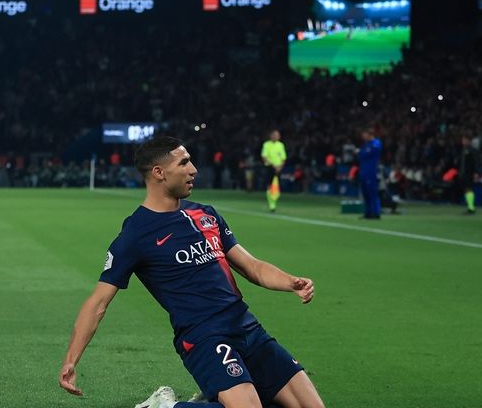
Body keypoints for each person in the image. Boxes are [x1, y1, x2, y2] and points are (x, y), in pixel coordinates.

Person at [58, 137, 324, 408]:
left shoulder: (205, 214)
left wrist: (290, 282)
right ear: (159, 173)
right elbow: (98, 302)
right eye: (183, 163)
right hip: (204, 336)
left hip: (247, 326)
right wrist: (71, 359)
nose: (193, 169)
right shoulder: (136, 234)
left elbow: (251, 266)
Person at [358, 129, 382, 219]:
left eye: (364, 134)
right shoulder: (366, 144)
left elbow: (367, 153)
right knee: (365, 193)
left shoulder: (376, 143)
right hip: (363, 171)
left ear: (369, 134)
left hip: (371, 172)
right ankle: (368, 212)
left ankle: (376, 212)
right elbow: (361, 155)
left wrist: (363, 153)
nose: (363, 136)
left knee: (372, 193)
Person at [261, 130, 286, 212]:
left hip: (278, 169)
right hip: (269, 168)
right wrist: (273, 165)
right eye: (274, 135)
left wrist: (280, 166)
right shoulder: (266, 144)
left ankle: (274, 202)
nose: (276, 136)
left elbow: (283, 158)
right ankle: (271, 204)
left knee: (276, 186)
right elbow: (264, 157)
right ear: (271, 136)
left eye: (277, 135)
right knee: (269, 186)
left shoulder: (281, 145)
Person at [458, 135, 480, 214]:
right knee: (466, 190)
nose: (463, 142)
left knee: (468, 189)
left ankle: (471, 208)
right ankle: (470, 207)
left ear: (469, 141)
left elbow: (477, 162)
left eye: (464, 140)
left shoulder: (473, 150)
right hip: (464, 173)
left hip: (470, 173)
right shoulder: (463, 150)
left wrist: (476, 172)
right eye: (462, 140)